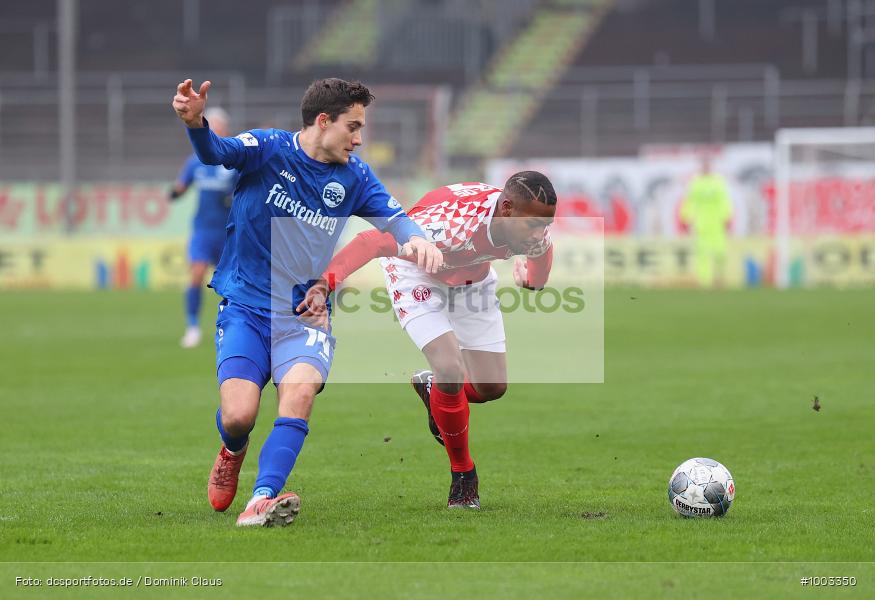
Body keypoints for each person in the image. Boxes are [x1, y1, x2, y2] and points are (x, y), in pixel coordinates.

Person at [171, 77, 443, 527]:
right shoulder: (267, 147)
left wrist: (418, 241)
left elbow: (396, 219)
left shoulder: (355, 176)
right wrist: (196, 124)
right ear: (323, 121)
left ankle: (262, 497)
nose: (358, 139)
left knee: (298, 396)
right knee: (239, 416)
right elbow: (215, 154)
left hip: (305, 314)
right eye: (352, 127)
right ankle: (232, 449)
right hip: (245, 306)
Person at [305, 173, 557, 509]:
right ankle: (464, 476)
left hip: (472, 282)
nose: (540, 233)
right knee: (450, 370)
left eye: (545, 224)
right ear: (507, 209)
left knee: (492, 387)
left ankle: (433, 390)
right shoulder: (449, 226)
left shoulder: (529, 222)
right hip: (416, 273)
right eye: (534, 226)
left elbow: (543, 250)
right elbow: (372, 241)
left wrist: (534, 282)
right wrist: (325, 284)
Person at [169, 107, 239, 348]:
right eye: (213, 127)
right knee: (197, 273)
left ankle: (233, 327)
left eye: (220, 128)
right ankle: (192, 327)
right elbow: (181, 185)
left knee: (230, 285)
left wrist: (233, 198)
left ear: (226, 131)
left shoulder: (234, 161)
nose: (216, 132)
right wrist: (174, 193)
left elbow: (246, 190)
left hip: (229, 233)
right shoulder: (195, 161)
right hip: (203, 231)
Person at [681, 155, 733, 288]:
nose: (706, 167)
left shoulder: (718, 181)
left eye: (708, 165)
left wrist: (727, 217)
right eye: (704, 165)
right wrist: (685, 218)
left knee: (720, 252)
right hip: (701, 224)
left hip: (717, 223)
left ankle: (719, 279)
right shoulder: (695, 182)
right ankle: (705, 283)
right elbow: (690, 201)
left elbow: (724, 201)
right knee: (702, 254)